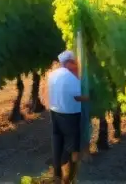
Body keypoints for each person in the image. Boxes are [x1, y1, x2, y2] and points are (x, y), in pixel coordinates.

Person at [46, 50, 88, 184]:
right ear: (69, 62)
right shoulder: (70, 77)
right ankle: (68, 178)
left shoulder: (52, 75)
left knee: (57, 141)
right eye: (74, 62)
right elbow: (77, 97)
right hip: (70, 115)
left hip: (54, 113)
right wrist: (91, 97)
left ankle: (56, 174)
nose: (76, 65)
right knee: (72, 147)